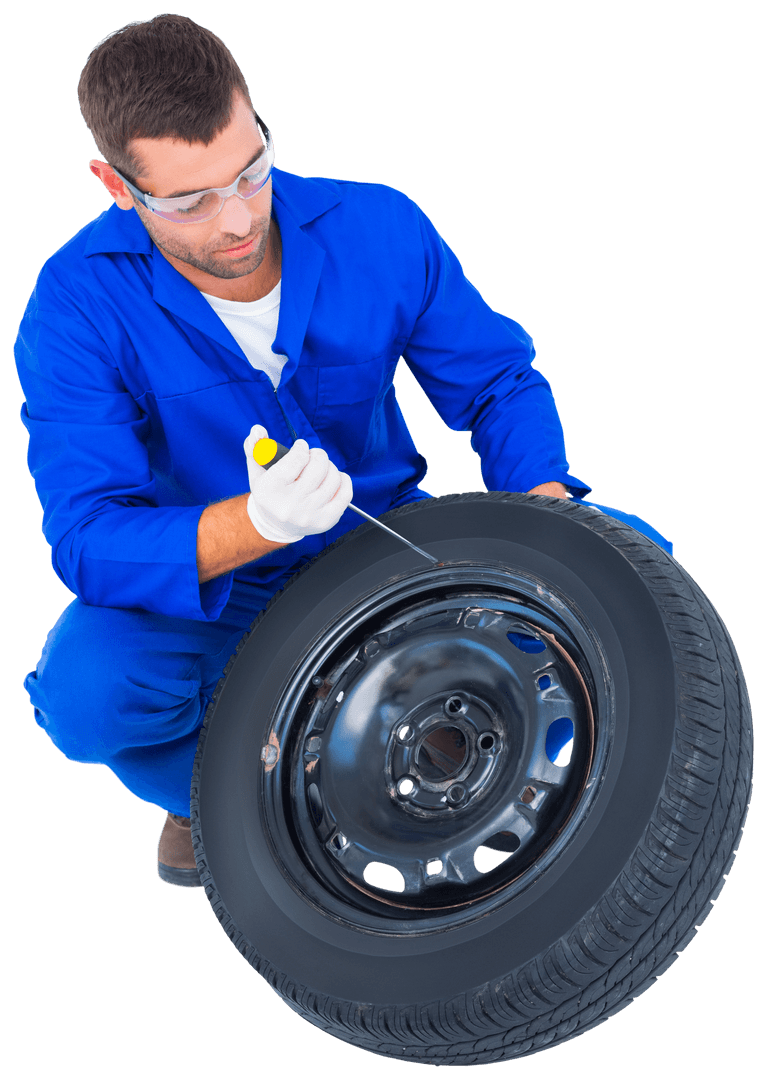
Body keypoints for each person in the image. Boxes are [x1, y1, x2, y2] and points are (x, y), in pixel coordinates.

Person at [14, 15, 669, 888]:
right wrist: (256, 524)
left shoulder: (378, 229)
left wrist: (545, 516)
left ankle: (518, 766)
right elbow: (88, 537)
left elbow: (496, 383)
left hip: (387, 544)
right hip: (221, 592)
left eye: (250, 172)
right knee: (87, 695)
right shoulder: (75, 305)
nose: (240, 217)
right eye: (192, 200)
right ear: (117, 186)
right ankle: (227, 799)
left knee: (633, 563)